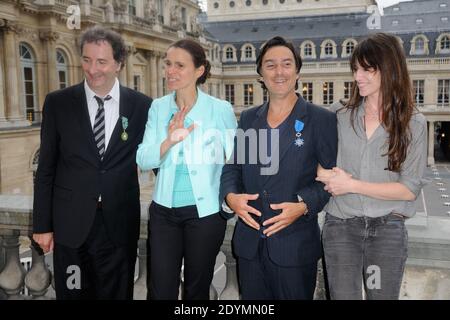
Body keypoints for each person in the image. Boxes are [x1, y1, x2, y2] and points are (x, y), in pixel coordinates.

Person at [32, 26, 152, 300]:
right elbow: (46, 168)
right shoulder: (58, 103)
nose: (92, 69)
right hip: (70, 227)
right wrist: (42, 225)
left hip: (118, 226)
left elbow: (155, 159)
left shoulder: (142, 106)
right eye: (86, 59)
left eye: (101, 62)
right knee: (72, 293)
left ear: (119, 64)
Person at [219, 36, 337, 300]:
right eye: (270, 65)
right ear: (260, 74)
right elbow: (233, 168)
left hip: (294, 247)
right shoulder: (249, 118)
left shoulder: (321, 120)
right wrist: (231, 197)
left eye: (286, 64)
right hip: (249, 246)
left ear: (297, 71)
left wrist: (304, 205)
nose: (279, 72)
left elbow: (331, 180)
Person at [316, 32, 428, 300]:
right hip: (341, 228)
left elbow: (408, 189)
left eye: (367, 69)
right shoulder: (338, 115)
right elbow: (313, 162)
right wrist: (325, 175)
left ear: (390, 69)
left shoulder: (413, 123)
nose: (358, 77)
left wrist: (351, 185)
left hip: (386, 231)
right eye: (356, 69)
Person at [136, 39, 237, 300]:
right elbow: (144, 159)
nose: (171, 71)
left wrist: (227, 203)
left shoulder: (220, 110)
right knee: (161, 290)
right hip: (164, 214)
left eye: (180, 65)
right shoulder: (158, 108)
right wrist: (168, 140)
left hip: (205, 215)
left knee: (197, 289)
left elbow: (237, 162)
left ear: (199, 70)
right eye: (168, 64)